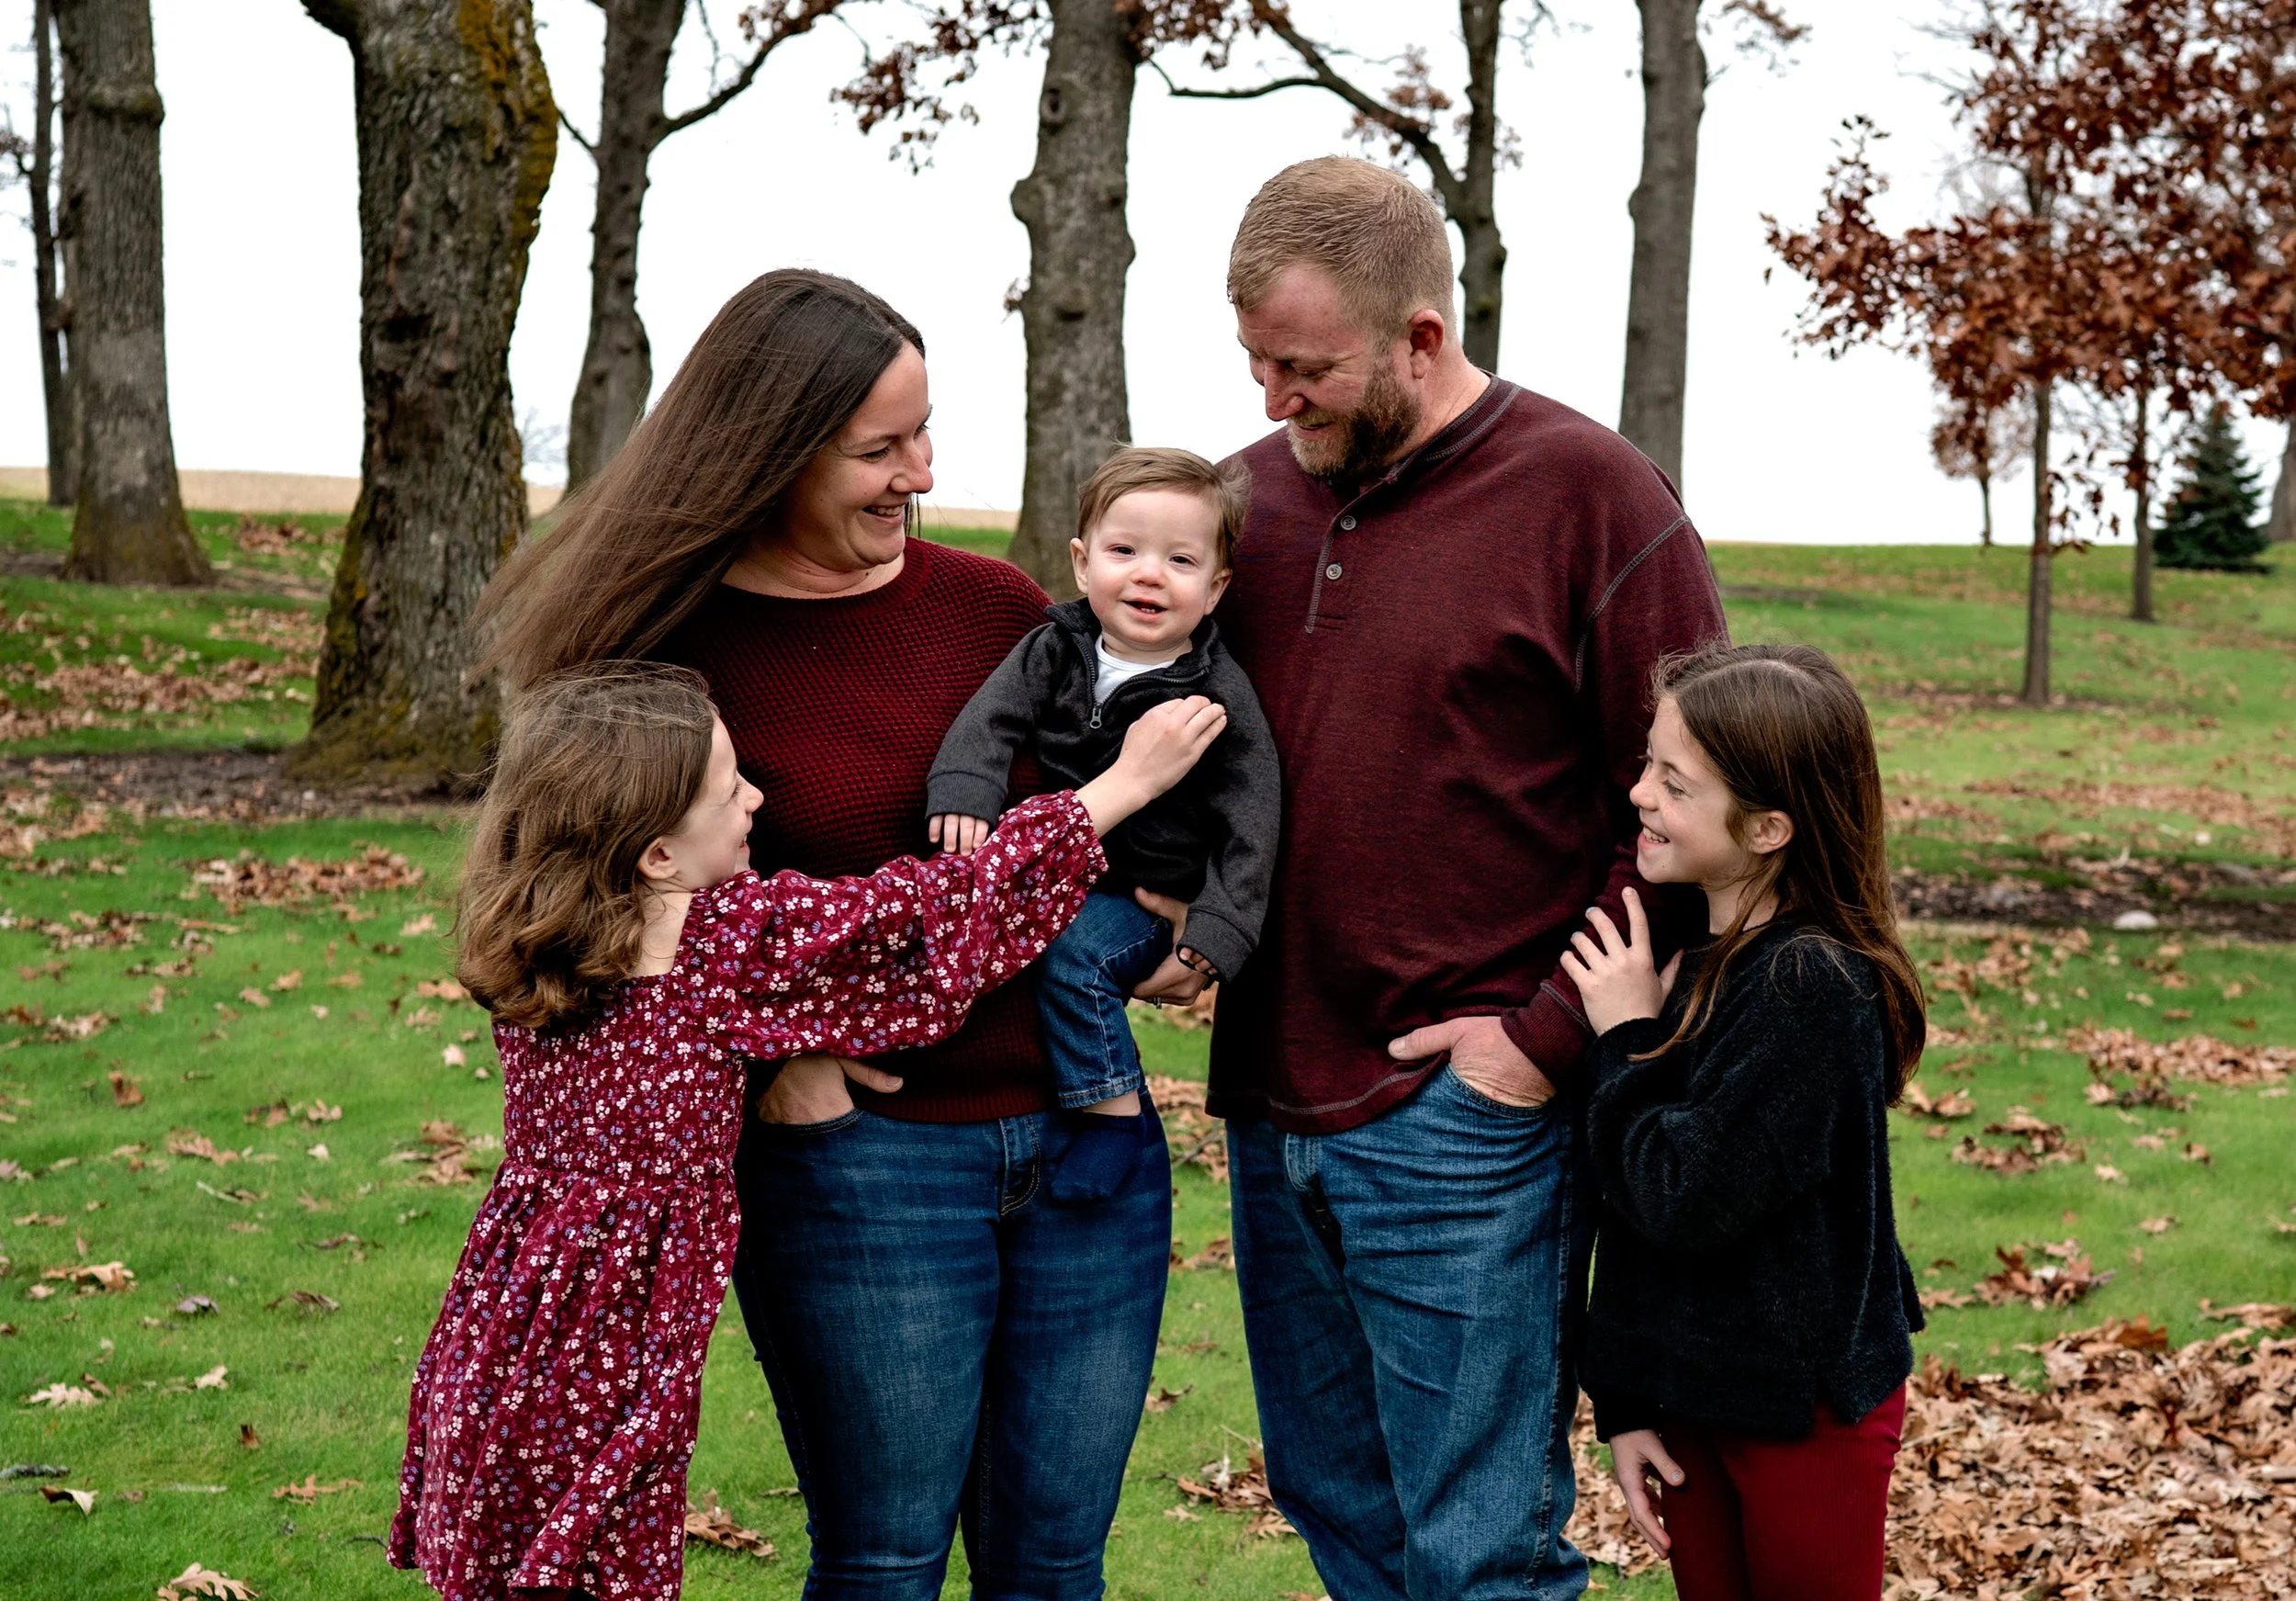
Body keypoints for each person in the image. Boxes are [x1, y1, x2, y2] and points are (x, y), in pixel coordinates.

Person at [478, 269, 1176, 1598]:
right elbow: (570, 922)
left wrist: (1181, 909)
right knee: (886, 1557)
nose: (919, 471)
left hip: (1089, 1144)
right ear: (773, 451)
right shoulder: (656, 655)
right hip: (868, 1169)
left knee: (1055, 1563)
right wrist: (769, 1060)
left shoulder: (995, 612)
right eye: (880, 447)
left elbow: (1089, 822)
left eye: (923, 431)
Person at [389, 660, 1225, 1601]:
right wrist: (1121, 787)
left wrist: (804, 1039)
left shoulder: (544, 939)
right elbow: (929, 919)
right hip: (617, 1342)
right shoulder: (724, 944)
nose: (755, 797)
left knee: (532, 1548)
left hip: (521, 1318)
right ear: (657, 856)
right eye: (728, 787)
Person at [1204, 155, 1730, 1600]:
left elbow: (1703, 810)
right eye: (1253, 362)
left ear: (1420, 338)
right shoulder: (1245, 503)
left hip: (1468, 1120)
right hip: (1268, 1100)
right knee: (1338, 1507)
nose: (1271, 401)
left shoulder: (1591, 495)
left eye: (1303, 368)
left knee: (1480, 1547)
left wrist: (1539, 1046)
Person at [1560, 643, 1927, 1601]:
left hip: (1800, 1411)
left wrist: (1623, 1038)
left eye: (1672, 782)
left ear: (1767, 827)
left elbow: (1682, 1195)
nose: (1638, 793)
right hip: (1691, 1397)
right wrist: (1630, 1402)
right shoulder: (1695, 957)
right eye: (1647, 763)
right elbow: (1637, 1230)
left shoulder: (1809, 986)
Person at [926, 445, 1279, 1201]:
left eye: (1180, 561)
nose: (1149, 574)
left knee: (1074, 957)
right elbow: (992, 718)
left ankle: (1112, 1111)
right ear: (1084, 564)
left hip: (1146, 892)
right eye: (1125, 551)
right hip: (1063, 868)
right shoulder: (1057, 646)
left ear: (1215, 588)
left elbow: (1253, 811)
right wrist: (965, 788)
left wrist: (1218, 929)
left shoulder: (1213, 690)